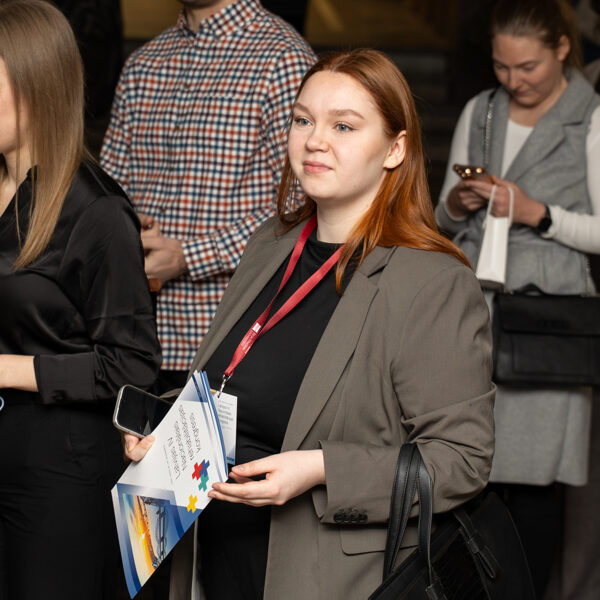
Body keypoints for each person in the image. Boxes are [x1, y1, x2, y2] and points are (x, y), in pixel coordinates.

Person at [125, 49, 496, 600]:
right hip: (211, 558)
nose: (315, 140)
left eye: (343, 126)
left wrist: (322, 470)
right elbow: (234, 383)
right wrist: (164, 427)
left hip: (324, 577)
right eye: (303, 120)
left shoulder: (432, 282)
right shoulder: (270, 244)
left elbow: (462, 460)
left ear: (395, 149)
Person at [435, 0, 600, 596]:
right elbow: (441, 218)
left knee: (535, 484)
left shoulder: (591, 118)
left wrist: (539, 213)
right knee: (465, 470)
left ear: (562, 49)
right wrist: (458, 205)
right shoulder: (482, 109)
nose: (514, 80)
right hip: (473, 309)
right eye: (502, 66)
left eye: (527, 66)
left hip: (547, 320)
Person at [0, 2, 161, 599]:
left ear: (38, 86)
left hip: (58, 469)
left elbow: (131, 365)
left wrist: (6, 369)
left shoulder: (97, 211)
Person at [100, 0, 316, 399]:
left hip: (223, 337)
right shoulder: (144, 63)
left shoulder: (283, 60)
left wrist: (190, 256)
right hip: (127, 335)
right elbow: (110, 189)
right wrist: (126, 229)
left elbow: (302, 206)